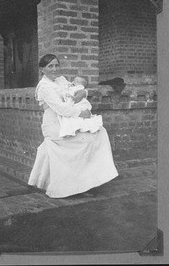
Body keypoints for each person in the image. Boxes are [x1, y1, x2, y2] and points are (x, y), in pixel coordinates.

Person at [28, 54, 118, 198]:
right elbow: (62, 109)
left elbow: (76, 90)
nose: (54, 69)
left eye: (57, 65)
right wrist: (82, 113)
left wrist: (84, 91)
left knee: (99, 132)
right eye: (50, 66)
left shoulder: (61, 80)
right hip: (55, 123)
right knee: (85, 140)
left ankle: (87, 181)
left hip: (68, 120)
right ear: (42, 69)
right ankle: (75, 185)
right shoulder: (44, 87)